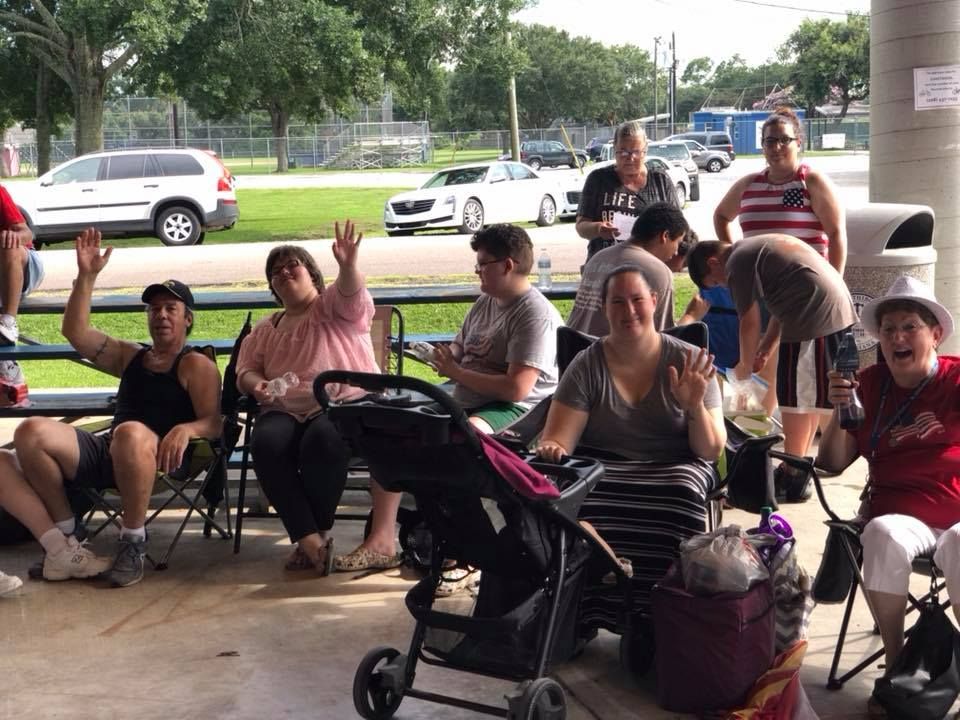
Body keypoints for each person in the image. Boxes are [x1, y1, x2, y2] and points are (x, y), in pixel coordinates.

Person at [339, 224, 562, 590]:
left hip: (513, 408)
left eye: (482, 265)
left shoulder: (534, 314)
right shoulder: (486, 301)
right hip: (462, 393)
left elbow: (518, 388)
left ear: (507, 266)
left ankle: (467, 553)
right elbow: (463, 348)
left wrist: (455, 369)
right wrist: (443, 357)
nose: (477, 272)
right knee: (391, 425)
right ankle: (385, 537)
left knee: (458, 447)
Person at [0, 227, 222, 587]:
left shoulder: (195, 364)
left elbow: (214, 423)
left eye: (171, 308)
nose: (161, 315)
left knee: (131, 432)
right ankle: (68, 537)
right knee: (31, 430)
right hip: (109, 452)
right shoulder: (131, 355)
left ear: (187, 319)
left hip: (159, 460)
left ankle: (133, 541)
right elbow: (75, 331)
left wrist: (186, 428)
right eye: (154, 309)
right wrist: (86, 275)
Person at [537, 266, 726, 630]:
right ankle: (590, 611)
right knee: (576, 497)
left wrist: (693, 407)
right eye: (617, 302)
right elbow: (560, 439)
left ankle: (668, 614)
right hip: (603, 464)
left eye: (637, 299)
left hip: (677, 462)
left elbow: (709, 451)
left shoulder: (691, 362)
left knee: (682, 492)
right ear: (604, 308)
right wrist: (550, 448)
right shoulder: (586, 364)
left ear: (654, 302)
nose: (629, 310)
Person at [815, 275, 960, 718]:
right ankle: (897, 671)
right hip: (899, 514)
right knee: (880, 533)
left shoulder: (956, 379)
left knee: (959, 543)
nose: (897, 337)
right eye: (888, 329)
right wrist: (840, 412)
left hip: (957, 516)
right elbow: (832, 463)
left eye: (909, 327)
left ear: (934, 333)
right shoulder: (868, 384)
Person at [236, 221, 382, 576]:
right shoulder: (265, 328)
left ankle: (314, 537)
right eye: (276, 271)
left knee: (322, 442)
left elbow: (351, 294)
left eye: (292, 266)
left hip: (340, 402)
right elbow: (245, 371)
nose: (284, 272)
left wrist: (348, 266)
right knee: (267, 444)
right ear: (271, 286)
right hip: (282, 406)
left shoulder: (332, 308)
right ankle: (313, 543)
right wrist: (258, 386)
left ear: (313, 276)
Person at [687, 234, 858, 501]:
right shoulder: (755, 249)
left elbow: (749, 320)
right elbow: (780, 303)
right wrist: (766, 347)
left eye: (717, 282)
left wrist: (743, 367)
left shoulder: (736, 263)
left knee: (794, 399)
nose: (723, 285)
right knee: (807, 396)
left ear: (713, 263)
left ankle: (793, 475)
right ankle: (796, 467)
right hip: (830, 308)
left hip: (813, 313)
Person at [707, 106, 848, 414]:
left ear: (799, 142)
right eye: (769, 141)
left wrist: (834, 281)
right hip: (761, 292)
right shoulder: (749, 184)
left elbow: (837, 235)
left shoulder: (810, 182)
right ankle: (757, 432)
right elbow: (721, 214)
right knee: (761, 363)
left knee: (797, 370)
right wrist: (734, 253)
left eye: (784, 140)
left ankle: (778, 435)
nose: (776, 148)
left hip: (804, 294)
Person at [567, 202, 692, 336]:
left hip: (572, 349)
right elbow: (662, 340)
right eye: (677, 243)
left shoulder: (598, 258)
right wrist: (691, 316)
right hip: (610, 354)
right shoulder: (658, 271)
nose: (676, 252)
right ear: (665, 236)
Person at [576, 120, 680, 262]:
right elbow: (581, 226)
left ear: (645, 149)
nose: (630, 158)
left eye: (636, 152)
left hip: (647, 267)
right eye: (623, 152)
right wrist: (598, 228)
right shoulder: (598, 179)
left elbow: (678, 228)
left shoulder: (660, 180)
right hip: (604, 267)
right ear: (614, 149)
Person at [0, 182, 45, 405]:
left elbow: (27, 232)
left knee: (7, 244)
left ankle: (9, 321)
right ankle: (10, 376)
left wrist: (14, 236)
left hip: (23, 264)